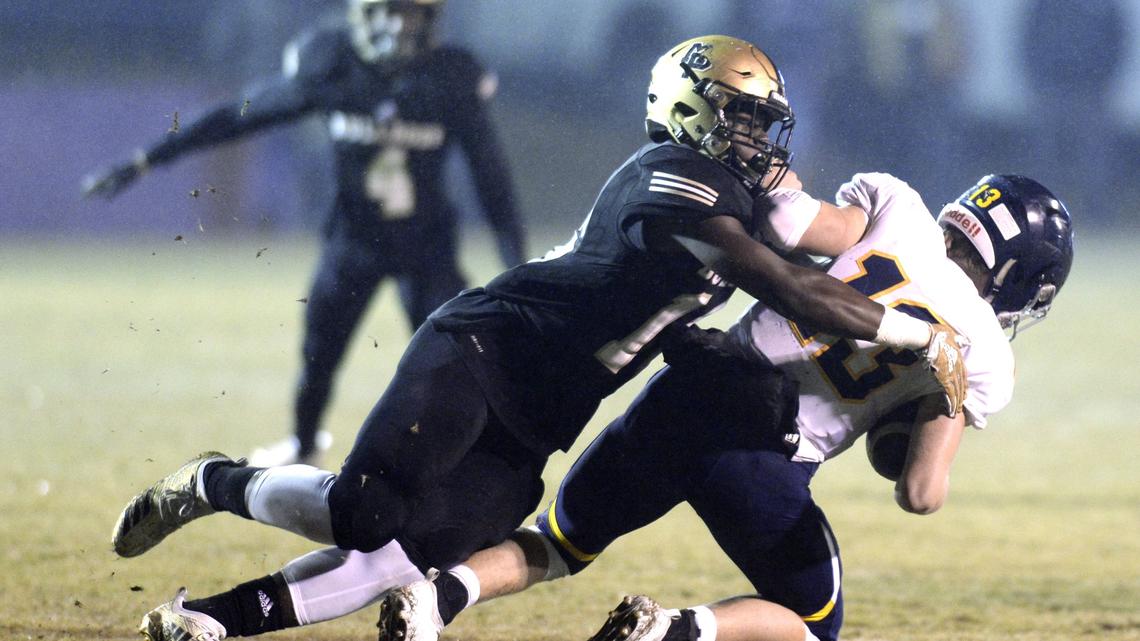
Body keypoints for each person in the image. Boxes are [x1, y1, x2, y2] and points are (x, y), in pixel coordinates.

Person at [110, 35, 968, 641]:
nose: (756, 138)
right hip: (483, 354)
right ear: (690, 110)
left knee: (411, 555)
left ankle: (210, 620)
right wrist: (919, 336)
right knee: (364, 509)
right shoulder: (671, 179)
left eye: (760, 121)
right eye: (741, 118)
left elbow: (817, 243)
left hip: (545, 412)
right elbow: (788, 284)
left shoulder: (735, 193)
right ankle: (210, 480)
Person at [377, 172, 1075, 641]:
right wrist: (934, 399)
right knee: (813, 623)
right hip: (765, 452)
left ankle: (436, 599)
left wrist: (783, 185)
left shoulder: (898, 205)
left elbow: (789, 220)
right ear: (1017, 273)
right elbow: (920, 492)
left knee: (561, 541)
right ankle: (674, 630)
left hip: (694, 385)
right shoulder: (984, 351)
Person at [81, 0, 527, 467]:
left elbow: (490, 175)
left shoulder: (449, 76)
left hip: (427, 247)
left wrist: (515, 264)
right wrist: (148, 158)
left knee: (457, 356)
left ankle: (477, 462)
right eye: (390, 12)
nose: (400, 26)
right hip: (354, 240)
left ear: (430, 21)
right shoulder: (335, 64)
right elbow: (240, 115)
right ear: (364, 14)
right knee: (319, 352)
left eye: (412, 14)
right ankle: (305, 444)